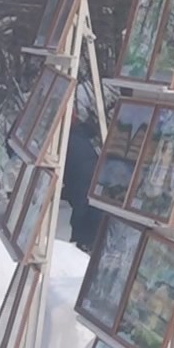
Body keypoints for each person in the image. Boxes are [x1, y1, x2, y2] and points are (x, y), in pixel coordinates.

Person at [60, 87, 103, 251]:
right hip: (89, 184)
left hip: (84, 187)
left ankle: (84, 245)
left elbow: (79, 184)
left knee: (85, 217)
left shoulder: (70, 143)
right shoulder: (81, 136)